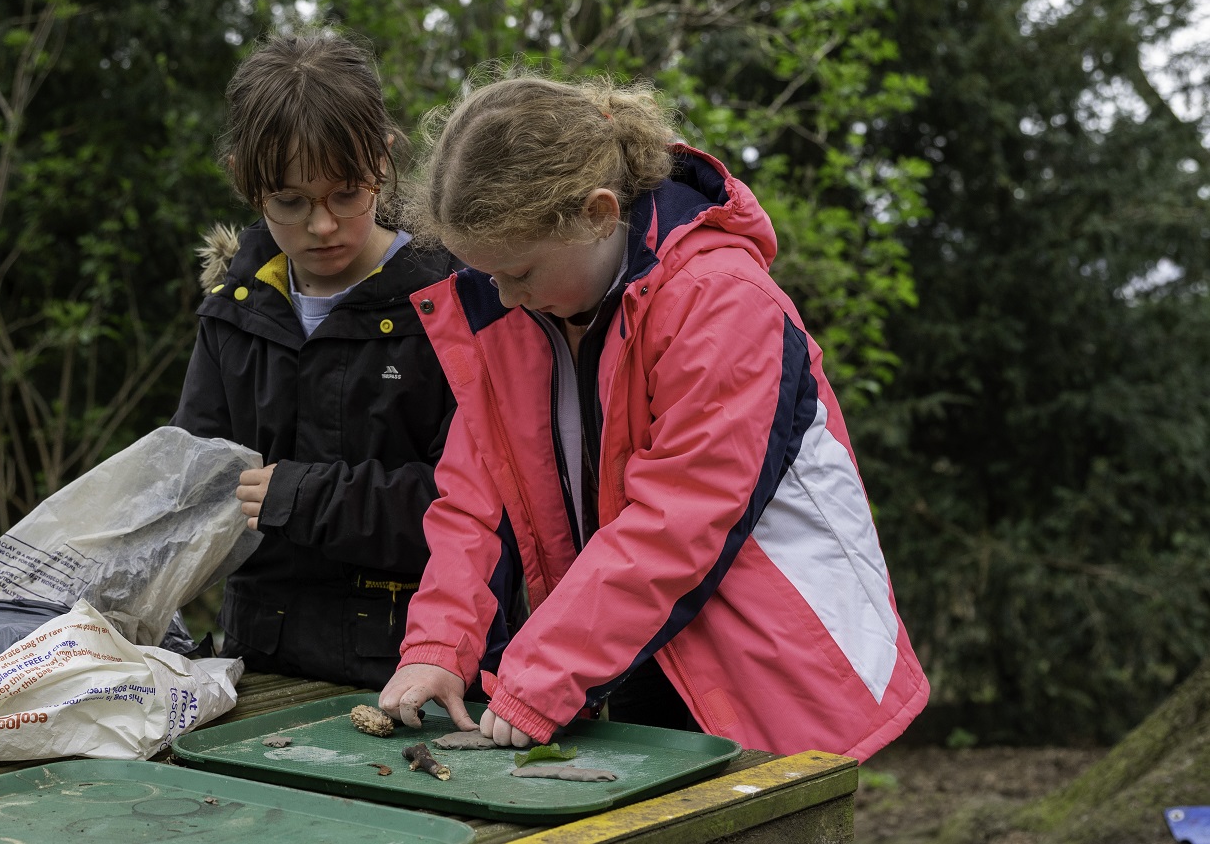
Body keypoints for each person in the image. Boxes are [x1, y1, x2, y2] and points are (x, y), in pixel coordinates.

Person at [377, 71, 929, 761]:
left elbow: (680, 518)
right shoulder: (516, 309)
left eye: (518, 271)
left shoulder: (721, 298)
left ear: (598, 213)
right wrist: (440, 644)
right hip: (629, 649)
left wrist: (542, 672)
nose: (506, 296)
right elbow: (476, 499)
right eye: (488, 274)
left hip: (772, 670)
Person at [170, 28, 489, 690]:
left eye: (347, 193)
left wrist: (303, 496)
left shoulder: (453, 300)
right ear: (244, 180)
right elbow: (191, 500)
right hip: (258, 667)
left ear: (383, 160)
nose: (322, 225)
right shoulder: (233, 311)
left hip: (415, 670)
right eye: (290, 201)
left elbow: (479, 508)